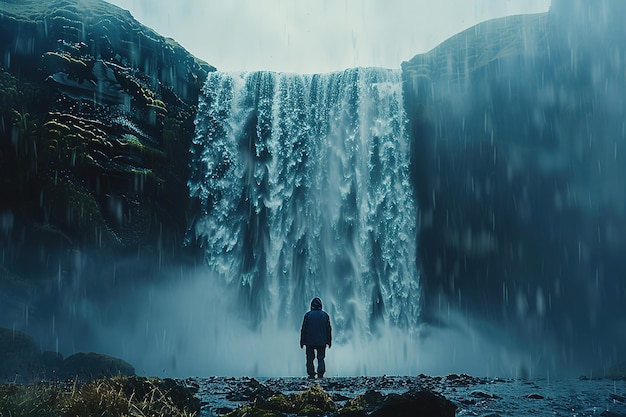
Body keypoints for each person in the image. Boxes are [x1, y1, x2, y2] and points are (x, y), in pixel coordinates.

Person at [300, 297, 332, 378]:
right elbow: (328, 330)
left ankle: (311, 374)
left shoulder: (308, 315)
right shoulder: (325, 315)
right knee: (321, 358)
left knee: (310, 358)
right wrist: (329, 341)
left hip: (309, 341)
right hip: (322, 341)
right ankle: (320, 373)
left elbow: (303, 329)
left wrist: (302, 341)